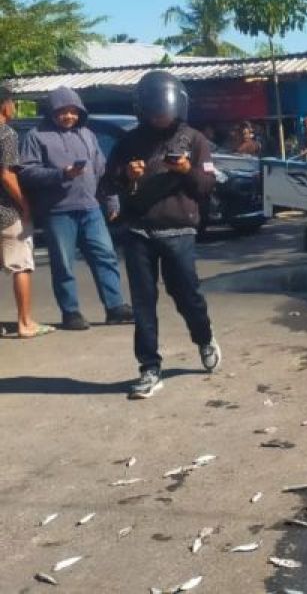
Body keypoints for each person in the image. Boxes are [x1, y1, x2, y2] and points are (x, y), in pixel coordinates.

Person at [100, 71, 220, 398]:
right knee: (143, 303)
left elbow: (207, 185)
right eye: (153, 114)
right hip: (139, 230)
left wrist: (186, 171)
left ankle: (204, 338)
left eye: (163, 113)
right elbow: (108, 183)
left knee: (187, 296)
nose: (159, 119)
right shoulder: (129, 142)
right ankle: (149, 368)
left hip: (179, 230)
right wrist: (126, 174)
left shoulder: (194, 140)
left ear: (177, 108)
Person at [19, 87, 134, 330]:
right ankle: (70, 313)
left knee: (105, 257)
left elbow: (101, 170)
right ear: (52, 112)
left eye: (73, 112)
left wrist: (111, 200)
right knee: (63, 264)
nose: (68, 116)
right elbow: (27, 172)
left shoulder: (87, 134)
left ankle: (115, 307)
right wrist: (61, 174)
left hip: (91, 209)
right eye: (62, 112)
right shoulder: (36, 136)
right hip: (57, 212)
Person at [0, 85, 52, 338]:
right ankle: (24, 323)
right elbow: (7, 176)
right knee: (20, 265)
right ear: (5, 105)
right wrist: (25, 205)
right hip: (6, 213)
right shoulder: (6, 134)